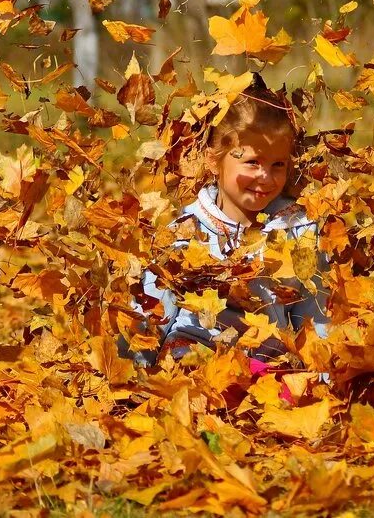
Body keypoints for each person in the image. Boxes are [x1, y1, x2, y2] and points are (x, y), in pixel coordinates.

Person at [130, 81, 330, 368]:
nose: (266, 177)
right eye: (252, 162)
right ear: (214, 161)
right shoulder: (186, 230)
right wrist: (133, 375)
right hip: (195, 357)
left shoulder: (300, 230)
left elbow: (314, 317)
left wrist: (322, 376)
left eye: (278, 165)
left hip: (267, 364)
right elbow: (152, 315)